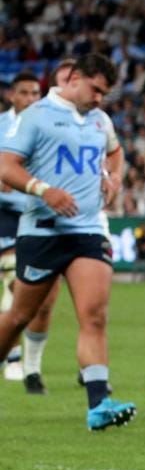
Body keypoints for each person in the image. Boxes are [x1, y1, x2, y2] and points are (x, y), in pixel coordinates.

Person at [0, 53, 136, 429]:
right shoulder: (36, 116)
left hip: (87, 230)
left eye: (105, 93)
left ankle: (98, 405)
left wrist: (114, 178)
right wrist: (43, 190)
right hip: (43, 231)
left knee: (94, 315)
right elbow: (6, 166)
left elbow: (116, 152)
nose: (99, 99)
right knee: (20, 317)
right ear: (75, 79)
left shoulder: (100, 119)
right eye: (96, 89)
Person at [0, 73, 42, 387]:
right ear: (12, 96)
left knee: (20, 287)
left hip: (31, 212)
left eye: (35, 93)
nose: (30, 99)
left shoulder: (45, 127)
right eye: (24, 93)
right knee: (12, 282)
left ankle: (18, 358)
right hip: (3, 212)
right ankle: (14, 359)